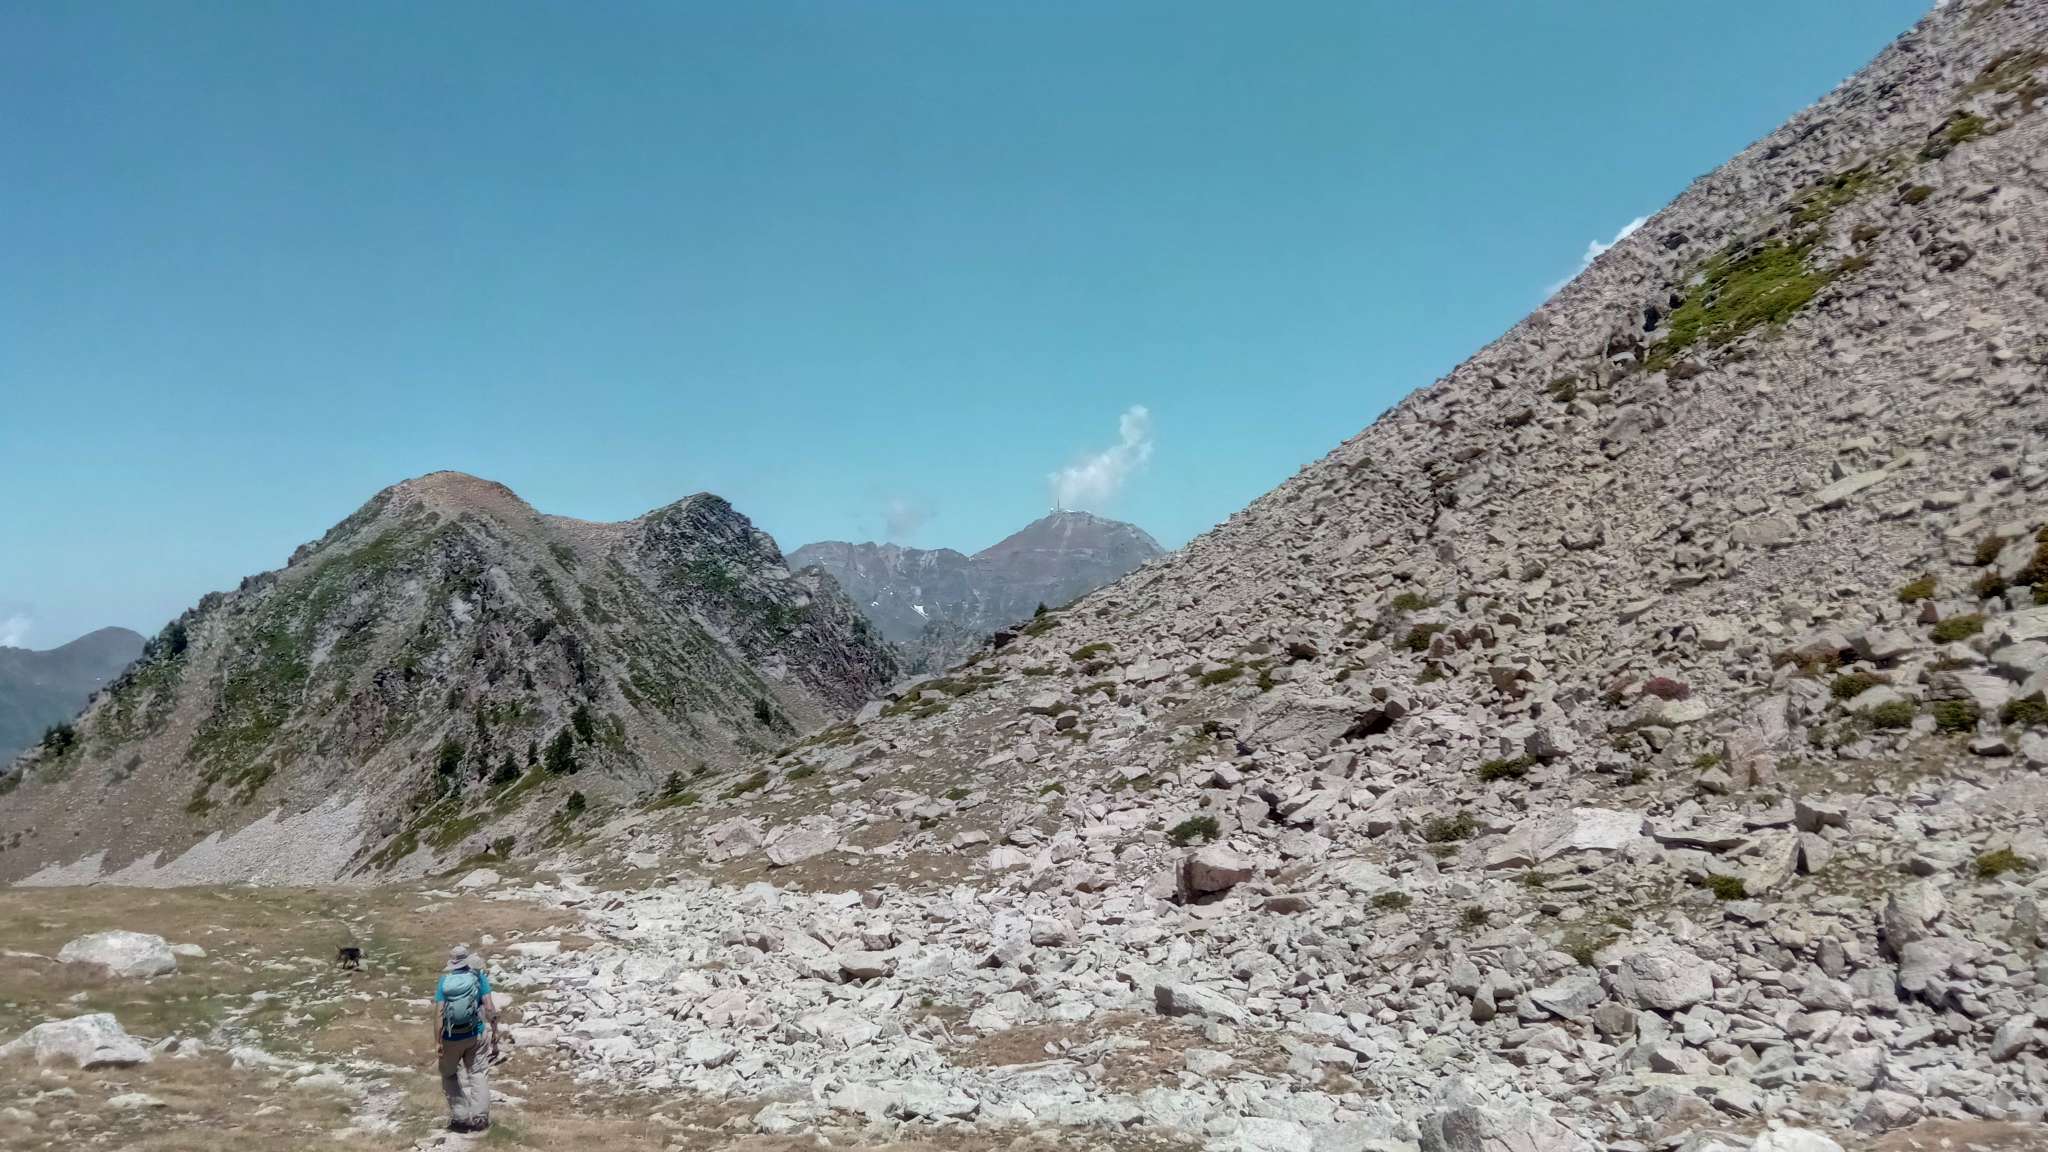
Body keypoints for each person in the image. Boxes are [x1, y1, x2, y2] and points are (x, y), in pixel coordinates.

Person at [433, 944, 498, 1132]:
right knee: (478, 1073)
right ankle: (480, 1118)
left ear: (452, 962)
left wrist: (438, 1041)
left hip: (451, 1037)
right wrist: (495, 1033)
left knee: (449, 1075)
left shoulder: (444, 982)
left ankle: (460, 1117)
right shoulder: (478, 977)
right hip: (475, 1034)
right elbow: (489, 1007)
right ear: (467, 960)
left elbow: (439, 1014)